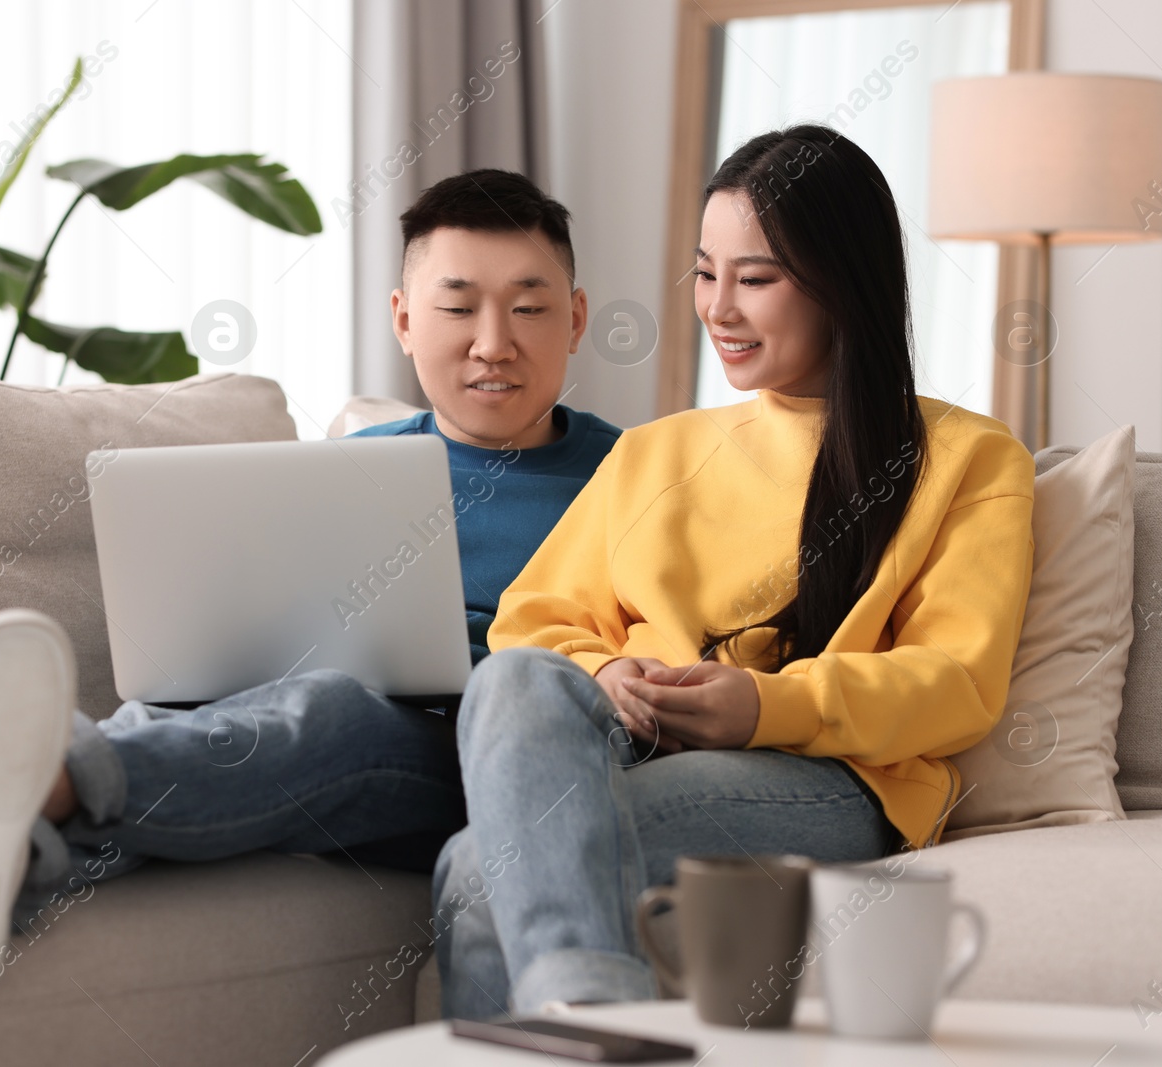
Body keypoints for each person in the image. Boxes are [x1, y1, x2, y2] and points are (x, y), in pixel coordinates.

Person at [0, 168, 621, 1007]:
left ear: (577, 320)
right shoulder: (347, 469)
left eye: (528, 308)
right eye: (458, 308)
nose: (494, 341)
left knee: (325, 714)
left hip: (496, 759)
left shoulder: (638, 475)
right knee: (203, 717)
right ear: (405, 321)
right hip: (328, 717)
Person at [432, 125, 1036, 1020]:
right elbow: (531, 623)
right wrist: (611, 673)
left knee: (478, 869)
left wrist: (762, 705)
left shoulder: (969, 458)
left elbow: (954, 682)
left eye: (755, 279)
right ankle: (596, 1019)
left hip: (831, 776)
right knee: (514, 682)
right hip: (631, 743)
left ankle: (595, 1027)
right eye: (705, 274)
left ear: (843, 280)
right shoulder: (654, 450)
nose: (718, 308)